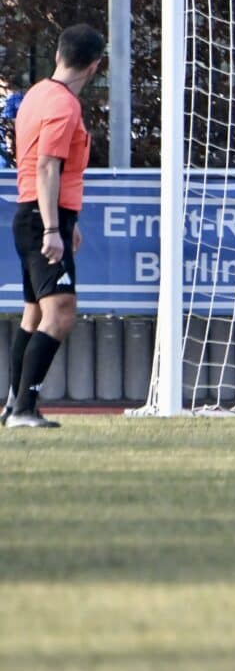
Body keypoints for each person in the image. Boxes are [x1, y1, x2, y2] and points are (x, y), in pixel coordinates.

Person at [6, 25, 104, 428]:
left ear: (59, 54)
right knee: (60, 313)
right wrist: (52, 228)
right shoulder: (64, 106)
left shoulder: (37, 95)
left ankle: (15, 405)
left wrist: (68, 222)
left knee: (33, 315)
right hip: (40, 218)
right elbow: (47, 164)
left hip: (36, 213)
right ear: (95, 66)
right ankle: (24, 410)